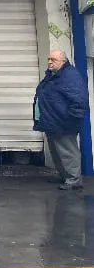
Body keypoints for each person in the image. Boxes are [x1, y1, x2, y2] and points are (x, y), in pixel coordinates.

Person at [34, 50, 90, 191]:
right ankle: (64, 175)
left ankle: (74, 179)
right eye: (49, 59)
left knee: (68, 152)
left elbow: (79, 100)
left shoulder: (70, 76)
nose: (50, 62)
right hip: (52, 121)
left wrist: (70, 120)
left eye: (53, 59)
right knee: (57, 152)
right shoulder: (52, 75)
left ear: (63, 61)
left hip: (63, 123)